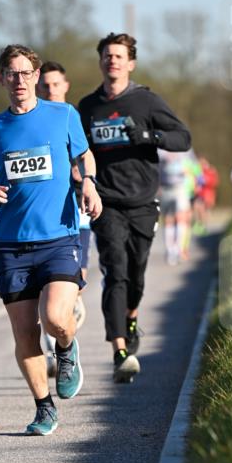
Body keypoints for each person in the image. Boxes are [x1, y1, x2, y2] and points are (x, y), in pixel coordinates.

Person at [0, 44, 101, 435]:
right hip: (10, 245)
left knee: (56, 318)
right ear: (1, 78)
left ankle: (66, 349)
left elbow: (84, 156)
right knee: (25, 332)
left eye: (26, 73)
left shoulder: (63, 115)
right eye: (12, 73)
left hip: (58, 235)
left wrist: (88, 184)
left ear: (37, 76)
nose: (20, 80)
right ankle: (44, 408)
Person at [78, 32, 191, 383]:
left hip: (143, 201)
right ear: (100, 62)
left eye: (119, 56)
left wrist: (151, 137)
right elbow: (77, 152)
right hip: (106, 202)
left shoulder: (146, 101)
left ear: (131, 63)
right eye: (107, 56)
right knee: (116, 270)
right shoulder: (87, 108)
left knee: (137, 275)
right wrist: (82, 182)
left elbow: (183, 139)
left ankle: (131, 317)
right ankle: (119, 351)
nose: (112, 61)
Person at [36, 61, 91, 376]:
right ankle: (55, 349)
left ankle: (67, 320)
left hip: (76, 215)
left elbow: (87, 158)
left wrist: (83, 177)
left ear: (65, 86)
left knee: (75, 281)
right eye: (45, 85)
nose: (50, 90)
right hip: (47, 218)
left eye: (56, 84)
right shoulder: (34, 120)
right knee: (46, 293)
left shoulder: (71, 117)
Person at [158, 148, 193, 265]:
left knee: (181, 217)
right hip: (165, 188)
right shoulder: (159, 146)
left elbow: (192, 165)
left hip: (180, 187)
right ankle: (170, 250)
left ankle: (179, 249)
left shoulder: (185, 146)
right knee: (168, 219)